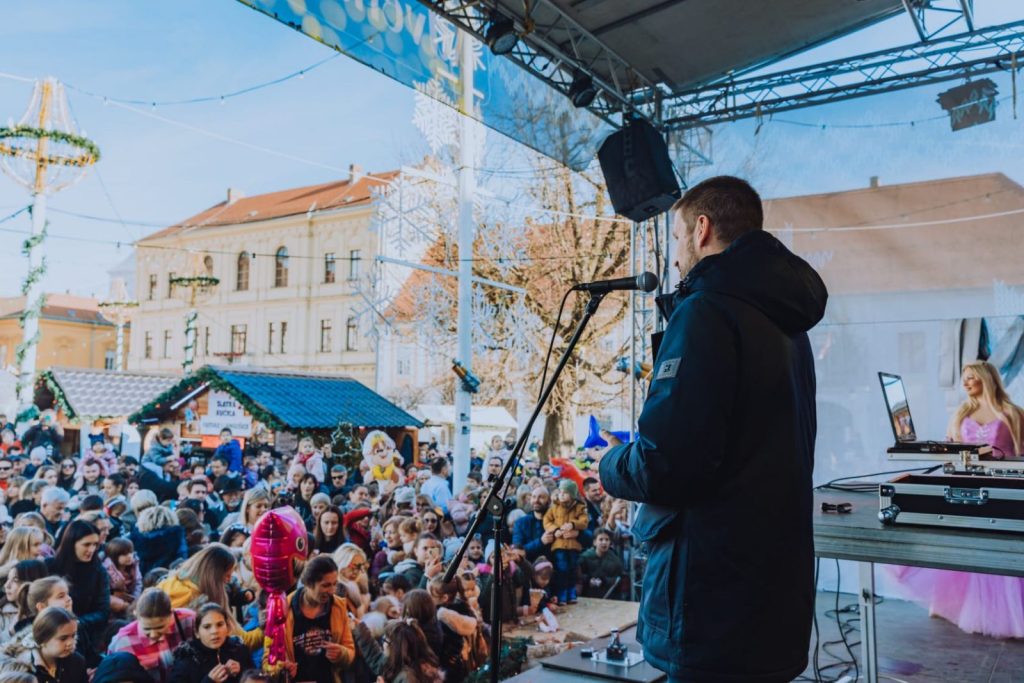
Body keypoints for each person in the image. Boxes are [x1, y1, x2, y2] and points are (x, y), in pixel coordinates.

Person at [597, 176, 826, 683]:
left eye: (678, 238)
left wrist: (609, 465)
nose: (676, 259)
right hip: (770, 600)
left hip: (711, 603)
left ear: (701, 230)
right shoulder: (787, 323)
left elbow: (667, 463)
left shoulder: (706, 311)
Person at [891, 361, 1024, 638]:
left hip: (1005, 488)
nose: (965, 383)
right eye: (964, 378)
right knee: (967, 543)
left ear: (986, 379)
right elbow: (950, 450)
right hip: (966, 487)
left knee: (1000, 547)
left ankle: (1008, 615)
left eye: (971, 377)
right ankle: (958, 605)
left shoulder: (1012, 413)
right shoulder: (961, 413)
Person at [264, 555, 354, 682]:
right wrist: (282, 668)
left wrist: (341, 654)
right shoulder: (283, 609)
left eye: (335, 584)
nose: (332, 591)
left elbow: (350, 650)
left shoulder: (338, 607)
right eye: (326, 585)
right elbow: (268, 660)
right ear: (308, 584)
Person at [45, 519, 110, 664]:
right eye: (86, 544)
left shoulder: (99, 571)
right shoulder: (50, 566)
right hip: (50, 632)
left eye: (95, 544)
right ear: (71, 543)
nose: (91, 550)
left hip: (85, 635)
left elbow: (103, 611)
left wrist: (75, 623)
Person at [107, 587, 196, 682]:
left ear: (171, 614)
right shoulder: (122, 642)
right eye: (147, 629)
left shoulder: (189, 619)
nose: (153, 635)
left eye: (160, 627)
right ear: (136, 615)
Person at [1, 606, 87, 683]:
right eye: (63, 638)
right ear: (42, 638)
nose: (70, 643)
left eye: (73, 635)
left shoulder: (77, 662)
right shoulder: (22, 671)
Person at [169, 602, 248, 683]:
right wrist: (208, 681)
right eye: (207, 627)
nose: (214, 631)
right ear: (197, 632)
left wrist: (242, 672)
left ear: (227, 627)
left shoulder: (238, 648)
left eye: (220, 624)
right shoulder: (187, 658)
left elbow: (253, 676)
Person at [352, 618, 443, 683]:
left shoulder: (407, 678)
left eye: (385, 640)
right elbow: (376, 658)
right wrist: (360, 629)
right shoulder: (398, 663)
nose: (383, 644)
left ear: (395, 647)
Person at [541, 479, 587, 604]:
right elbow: (546, 521)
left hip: (573, 545)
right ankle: (562, 594)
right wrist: (555, 529)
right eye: (560, 492)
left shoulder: (580, 507)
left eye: (565, 492)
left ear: (572, 495)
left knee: (572, 569)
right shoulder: (554, 507)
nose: (561, 495)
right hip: (559, 544)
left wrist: (573, 524)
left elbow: (584, 521)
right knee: (562, 569)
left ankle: (571, 593)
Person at [131, 506, 187, 575]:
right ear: (170, 519)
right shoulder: (176, 535)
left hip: (140, 578)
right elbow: (181, 559)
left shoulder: (135, 538)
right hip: (168, 577)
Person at [578, 528, 624, 599]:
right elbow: (578, 576)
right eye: (601, 539)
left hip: (608, 597)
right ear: (594, 542)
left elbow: (618, 579)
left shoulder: (615, 560)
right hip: (587, 595)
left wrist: (604, 581)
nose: (604, 542)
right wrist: (588, 580)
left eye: (607, 540)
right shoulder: (584, 558)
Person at [512, 486, 553, 562]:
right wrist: (540, 542)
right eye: (534, 497)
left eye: (541, 497)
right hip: (529, 566)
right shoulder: (520, 523)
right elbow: (518, 550)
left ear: (549, 500)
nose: (536, 500)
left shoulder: (556, 521)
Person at [104, 537, 143, 617]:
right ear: (114, 556)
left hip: (132, 598)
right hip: (114, 602)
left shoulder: (134, 565)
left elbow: (138, 582)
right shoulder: (107, 570)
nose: (129, 556)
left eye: (130, 552)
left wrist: (136, 597)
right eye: (124, 554)